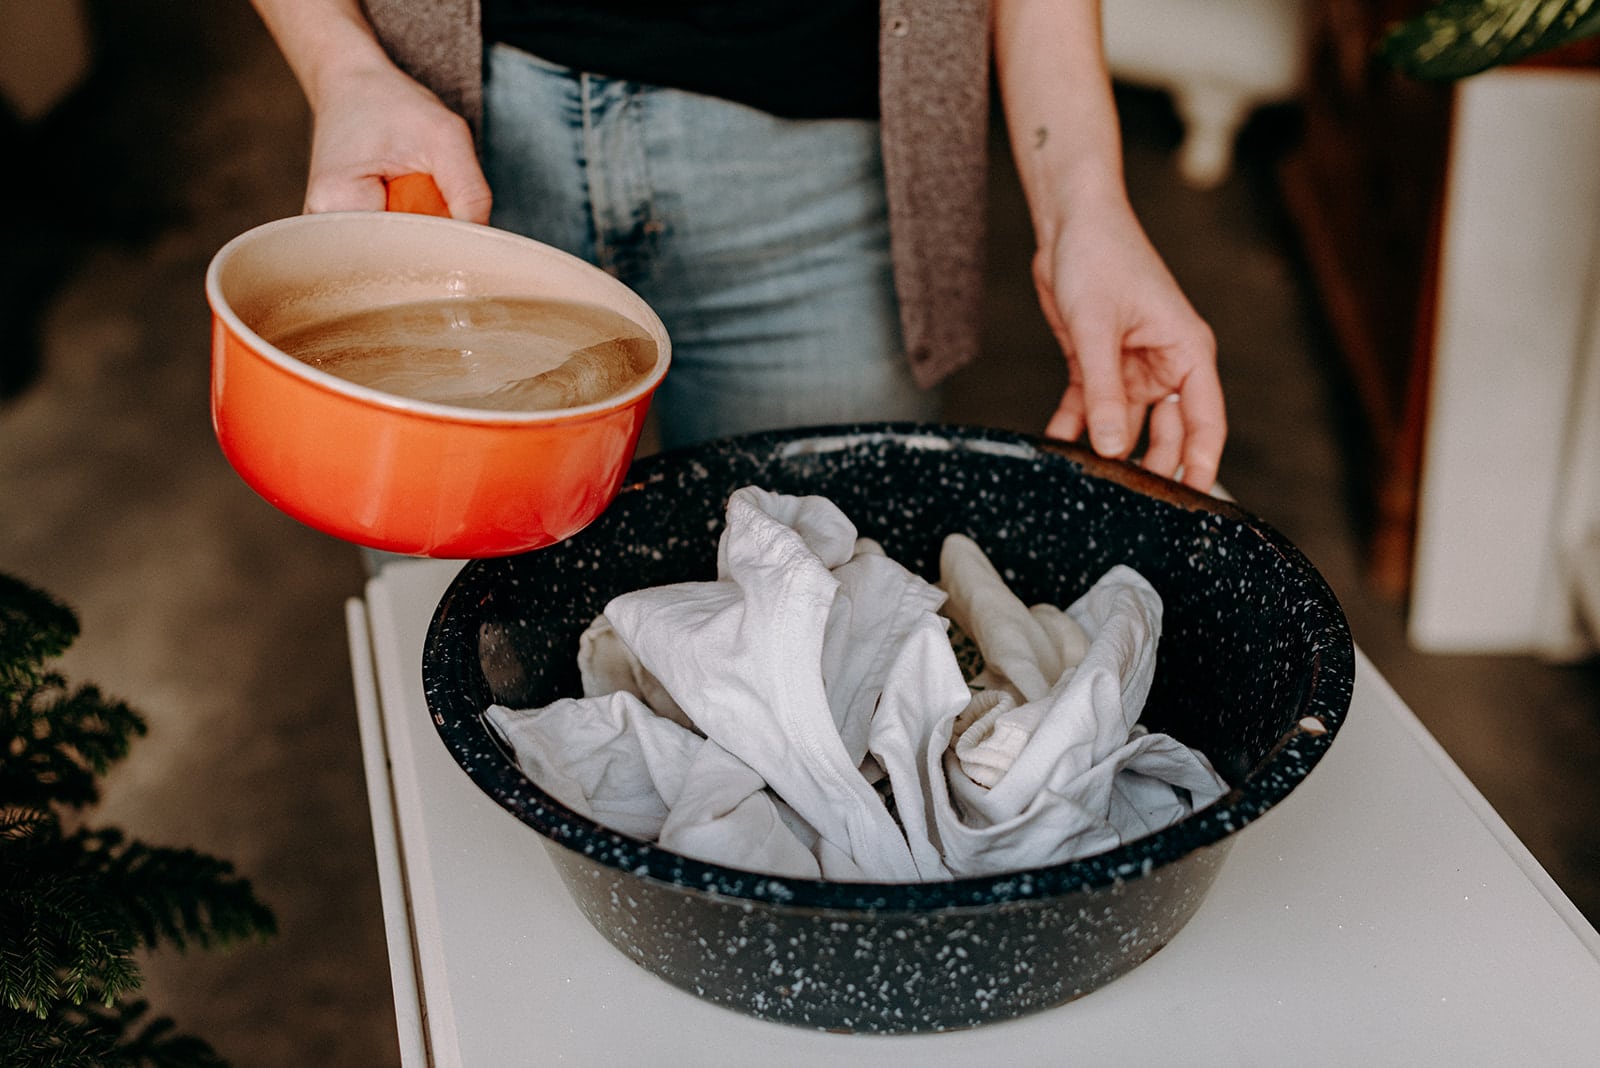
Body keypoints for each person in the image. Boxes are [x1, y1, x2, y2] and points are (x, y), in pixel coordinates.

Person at [247, 0, 1226, 491]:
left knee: (830, 647)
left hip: (822, 187)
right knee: (463, 659)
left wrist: (1083, 205)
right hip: (449, 146)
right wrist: (343, 67)